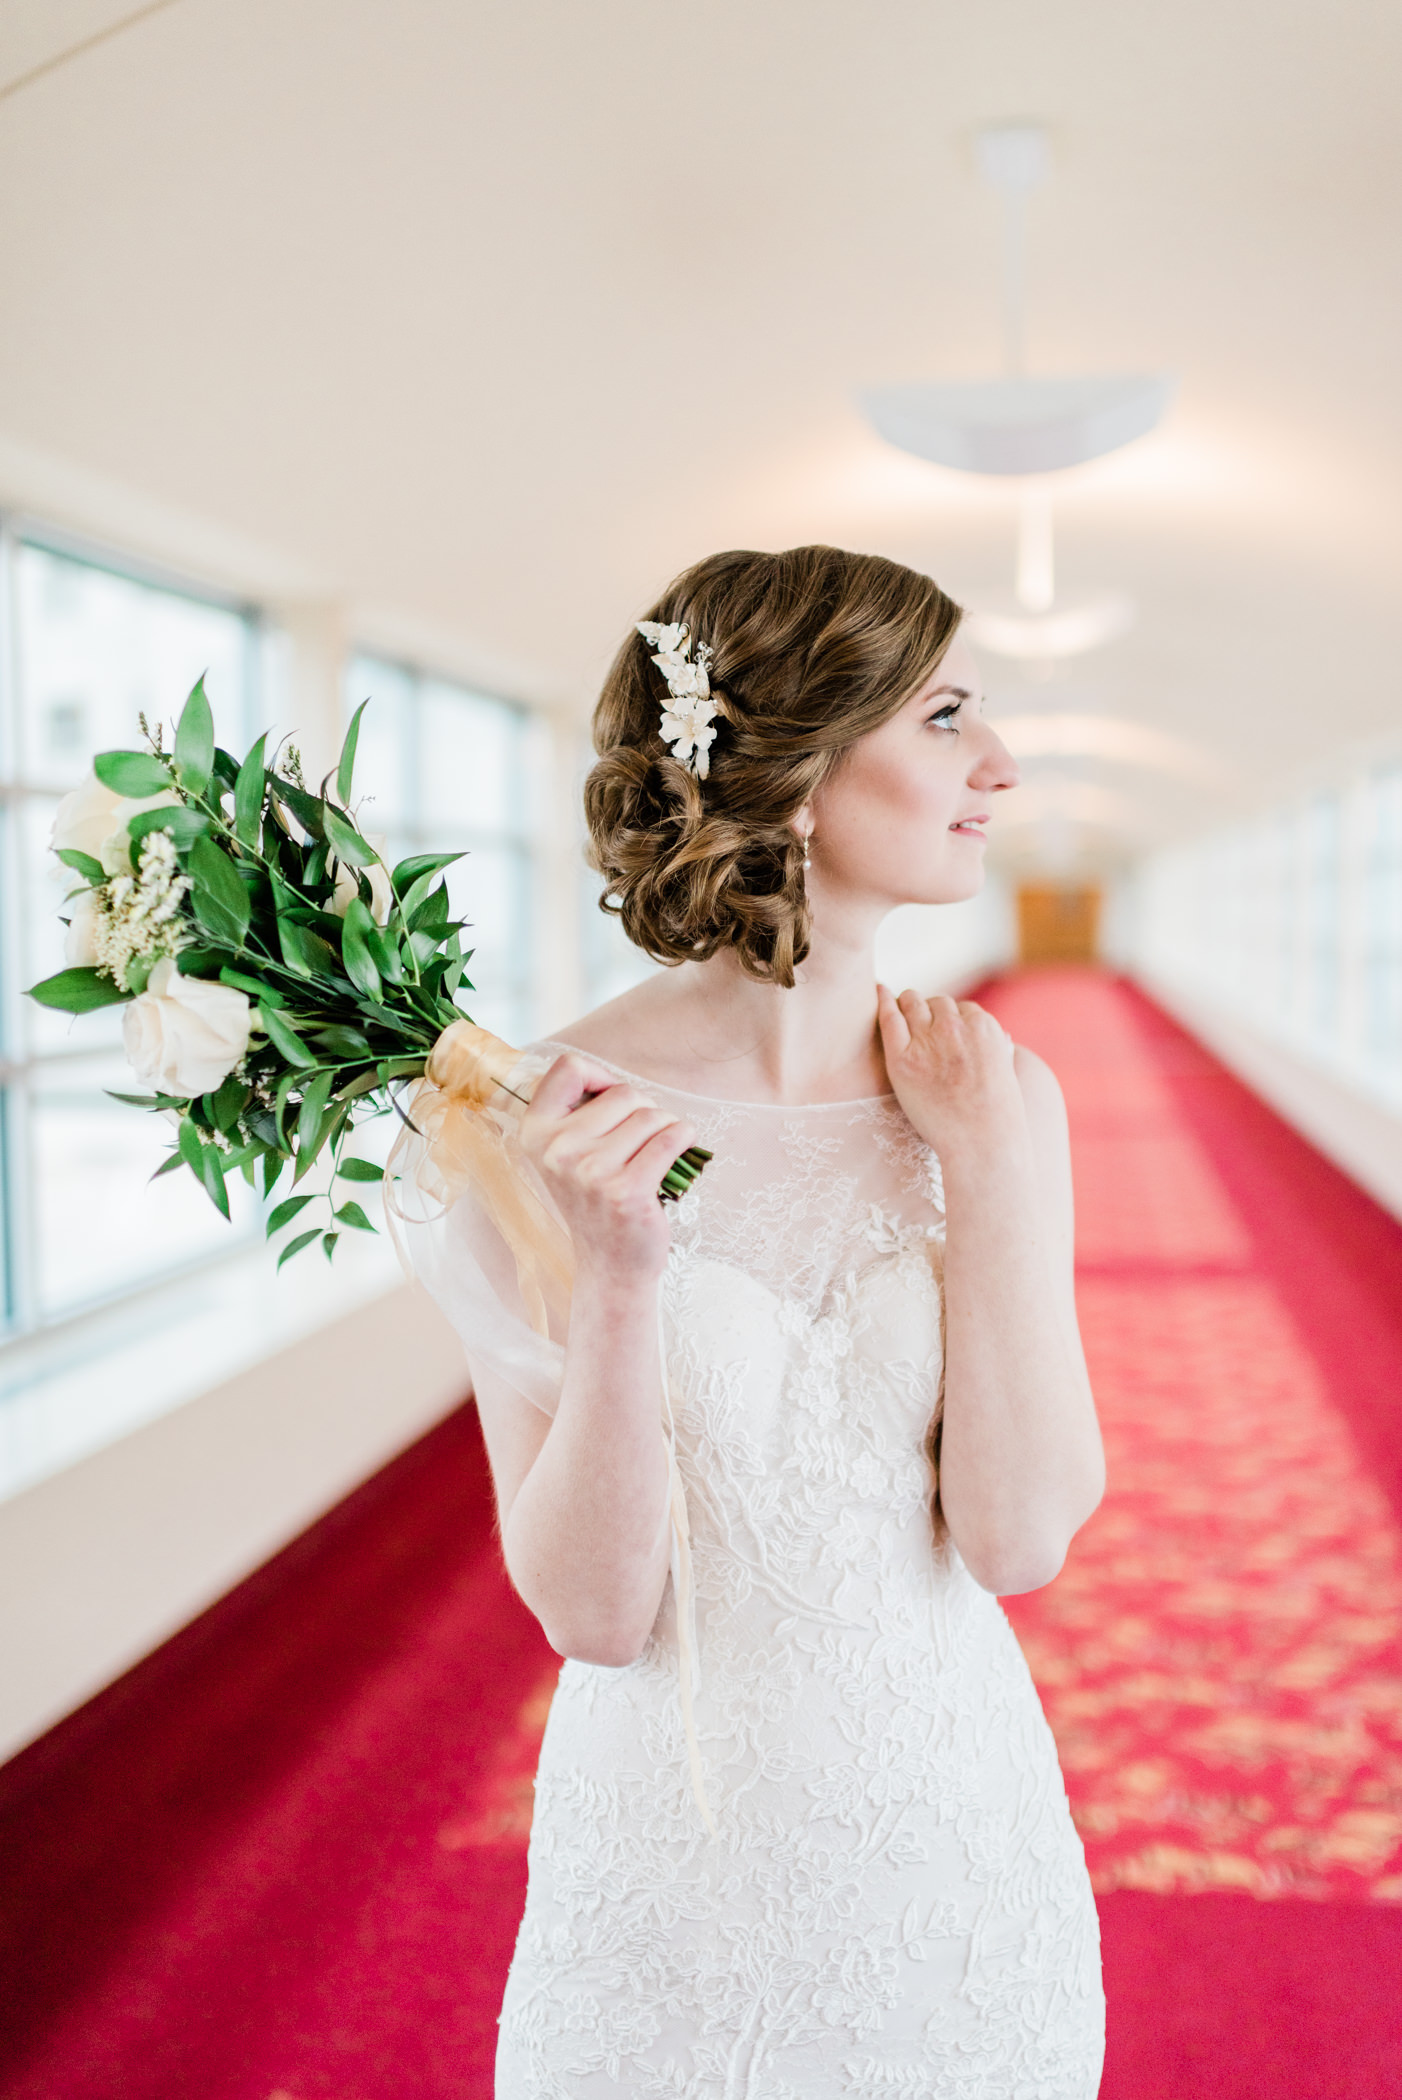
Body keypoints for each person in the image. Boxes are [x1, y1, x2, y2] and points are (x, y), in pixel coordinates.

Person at [416, 545, 1106, 2096]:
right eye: (941, 719)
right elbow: (591, 1617)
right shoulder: (534, 1117)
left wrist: (988, 1180)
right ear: (793, 774)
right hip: (675, 1857)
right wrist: (619, 1284)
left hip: (953, 1841)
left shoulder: (999, 1102)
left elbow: (1016, 1541)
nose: (995, 765)